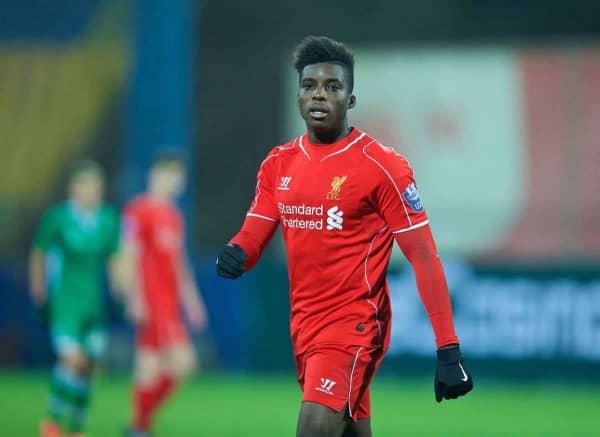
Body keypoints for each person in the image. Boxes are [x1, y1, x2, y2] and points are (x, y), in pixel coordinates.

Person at [216, 36, 473, 437]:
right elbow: (255, 233)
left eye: (332, 87)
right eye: (309, 86)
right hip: (305, 326)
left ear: (350, 101)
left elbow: (424, 255)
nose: (319, 94)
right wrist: (236, 253)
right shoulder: (278, 164)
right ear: (299, 96)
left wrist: (448, 347)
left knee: (313, 429)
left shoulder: (381, 167)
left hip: (355, 326)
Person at [30, 160, 122, 437]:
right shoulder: (57, 218)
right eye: (85, 185)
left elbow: (115, 258)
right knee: (72, 360)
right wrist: (38, 288)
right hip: (65, 303)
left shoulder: (108, 219)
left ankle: (76, 427)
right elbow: (39, 254)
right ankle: (52, 422)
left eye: (95, 186)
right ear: (73, 189)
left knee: (89, 367)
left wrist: (121, 289)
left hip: (92, 305)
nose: (90, 191)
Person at [121, 152, 208, 437]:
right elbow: (128, 254)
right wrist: (134, 297)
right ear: (154, 176)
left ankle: (139, 425)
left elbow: (179, 263)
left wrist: (192, 302)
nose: (173, 182)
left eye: (177, 178)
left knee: (156, 366)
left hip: (169, 303)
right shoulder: (137, 210)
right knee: (177, 363)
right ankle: (139, 425)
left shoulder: (173, 216)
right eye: (168, 175)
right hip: (151, 300)